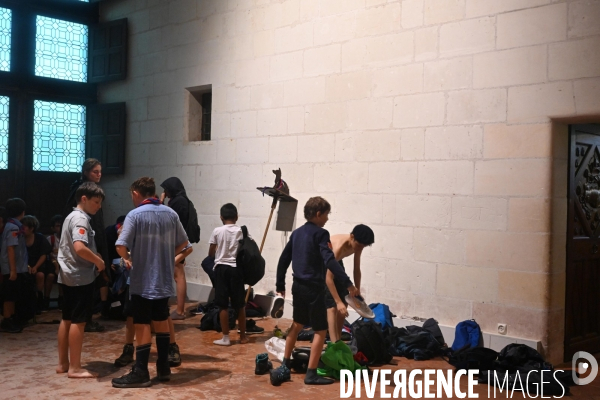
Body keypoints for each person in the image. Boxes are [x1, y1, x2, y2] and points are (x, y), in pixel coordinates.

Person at [271, 196, 359, 386]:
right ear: (318, 214)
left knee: (297, 324)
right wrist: (348, 283)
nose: (327, 219)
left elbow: (283, 259)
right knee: (320, 330)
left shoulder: (296, 234)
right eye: (326, 214)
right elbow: (330, 261)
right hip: (314, 289)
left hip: (297, 286)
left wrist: (280, 285)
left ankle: (285, 365)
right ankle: (311, 374)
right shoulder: (321, 234)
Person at [112, 177, 188, 388]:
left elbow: (120, 245)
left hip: (143, 279)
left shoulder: (134, 215)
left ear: (136, 193)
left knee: (142, 322)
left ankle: (141, 371)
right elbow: (184, 244)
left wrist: (128, 257)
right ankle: (163, 367)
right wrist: (167, 257)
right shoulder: (170, 213)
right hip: (163, 278)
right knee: (162, 318)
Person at [55, 182, 105, 378]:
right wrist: (99, 261)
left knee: (67, 318)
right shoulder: (80, 220)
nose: (98, 206)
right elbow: (79, 248)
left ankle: (63, 364)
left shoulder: (70, 216)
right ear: (83, 198)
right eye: (96, 202)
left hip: (67, 275)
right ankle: (75, 368)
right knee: (79, 321)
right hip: (79, 277)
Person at [65, 158, 110, 331]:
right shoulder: (80, 192)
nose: (99, 175)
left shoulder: (93, 190)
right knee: (86, 283)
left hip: (94, 238)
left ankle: (87, 317)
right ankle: (84, 320)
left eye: (100, 171)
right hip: (85, 242)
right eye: (95, 172)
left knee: (94, 282)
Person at [325, 224, 375, 342]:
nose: (360, 249)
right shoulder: (338, 247)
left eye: (364, 247)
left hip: (337, 263)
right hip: (320, 264)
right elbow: (328, 278)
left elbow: (356, 268)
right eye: (359, 245)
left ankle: (338, 338)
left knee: (345, 300)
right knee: (332, 306)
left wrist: (356, 290)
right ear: (352, 237)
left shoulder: (358, 245)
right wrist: (338, 302)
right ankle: (334, 343)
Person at [209, 203, 248, 347]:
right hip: (236, 268)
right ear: (236, 217)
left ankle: (226, 337)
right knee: (240, 304)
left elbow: (211, 252)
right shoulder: (242, 231)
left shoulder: (217, 231)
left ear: (221, 217)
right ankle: (243, 336)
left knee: (222, 305)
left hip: (221, 268)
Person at [159, 177, 195, 320]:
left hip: (175, 242)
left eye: (166, 190)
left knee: (178, 274)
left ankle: (180, 310)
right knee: (178, 274)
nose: (165, 192)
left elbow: (165, 218)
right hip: (178, 242)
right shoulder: (181, 200)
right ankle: (180, 309)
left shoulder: (178, 202)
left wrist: (161, 202)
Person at [0, 198, 28, 333]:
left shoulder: (11, 225)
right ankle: (7, 319)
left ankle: (12, 318)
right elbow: (10, 248)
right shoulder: (13, 227)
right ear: (23, 212)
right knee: (9, 295)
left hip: (16, 266)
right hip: (12, 267)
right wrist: (13, 270)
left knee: (14, 294)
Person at [21, 215, 53, 314]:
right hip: (24, 264)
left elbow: (43, 254)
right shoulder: (20, 238)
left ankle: (40, 299)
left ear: (31, 228)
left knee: (40, 275)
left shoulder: (39, 238)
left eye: (24, 227)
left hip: (39, 264)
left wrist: (35, 267)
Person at [46, 215, 64, 309]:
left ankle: (61, 298)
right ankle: (46, 298)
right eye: (57, 226)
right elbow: (49, 254)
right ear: (53, 228)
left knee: (63, 275)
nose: (59, 228)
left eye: (61, 225)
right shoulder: (51, 239)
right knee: (50, 276)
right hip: (52, 263)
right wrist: (56, 266)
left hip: (64, 263)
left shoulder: (68, 238)